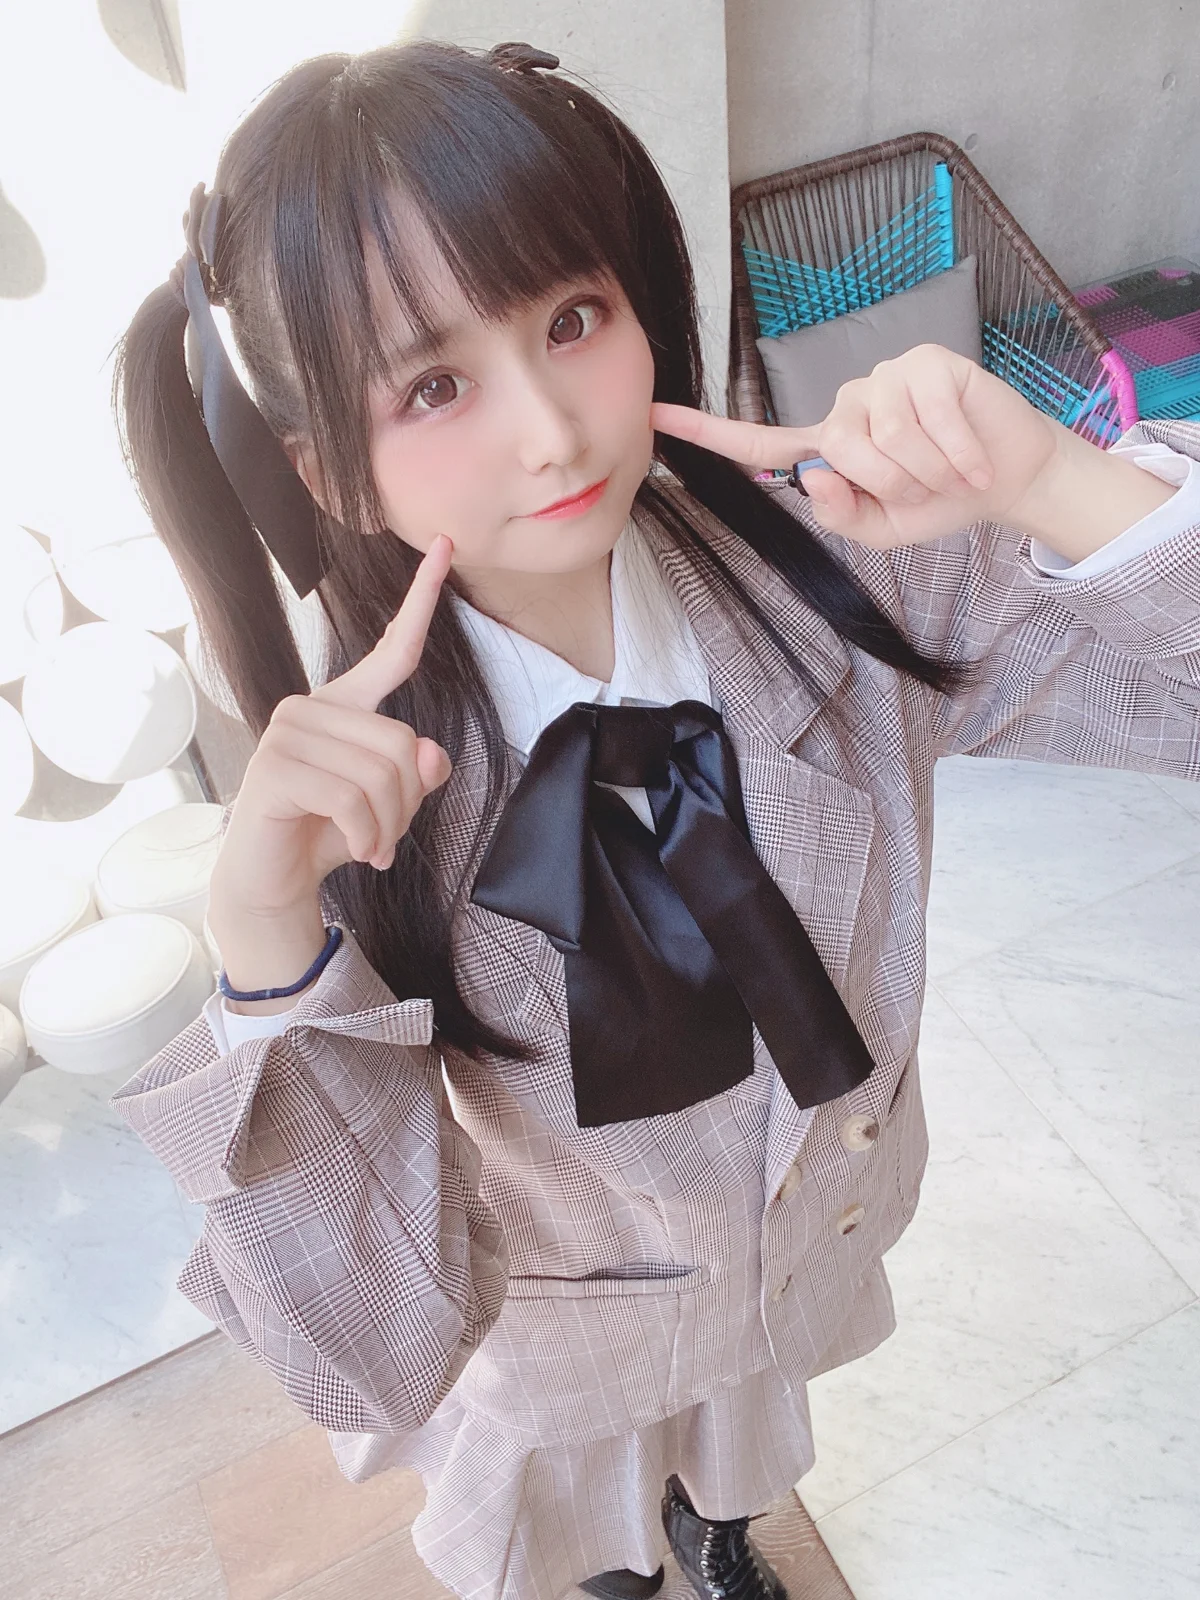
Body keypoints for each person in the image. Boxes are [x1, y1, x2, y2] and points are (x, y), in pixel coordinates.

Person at [108, 38, 1200, 1600]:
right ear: (324, 471)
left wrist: (1048, 479)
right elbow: (367, 1342)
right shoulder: (348, 801)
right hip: (559, 1346)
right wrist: (266, 942)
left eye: (572, 318)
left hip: (812, 1239)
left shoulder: (847, 577)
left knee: (738, 1462)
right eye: (434, 386)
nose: (553, 432)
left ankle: (721, 1532)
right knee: (590, 1547)